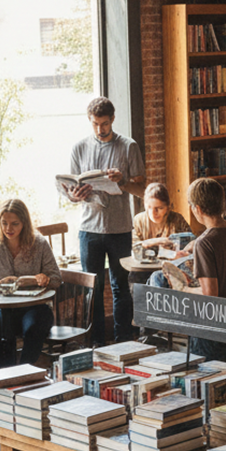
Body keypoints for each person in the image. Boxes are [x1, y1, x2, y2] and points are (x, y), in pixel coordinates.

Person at [66, 96, 146, 345]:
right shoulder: (79, 147)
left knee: (121, 286)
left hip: (120, 227)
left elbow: (142, 191)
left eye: (104, 124)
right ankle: (97, 342)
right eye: (95, 124)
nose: (100, 129)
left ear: (112, 119)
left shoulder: (128, 146)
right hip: (89, 228)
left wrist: (122, 181)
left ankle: (124, 340)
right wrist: (74, 195)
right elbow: (70, 192)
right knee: (94, 288)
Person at [0, 198, 61, 368]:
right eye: (4, 223)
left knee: (33, 331)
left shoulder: (40, 244)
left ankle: (24, 373)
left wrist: (45, 279)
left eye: (15, 223)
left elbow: (56, 279)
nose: (8, 229)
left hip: (34, 306)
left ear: (24, 223)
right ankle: (5, 376)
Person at [182, 176, 226, 364]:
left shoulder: (204, 243)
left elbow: (210, 295)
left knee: (206, 381)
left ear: (197, 208)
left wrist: (184, 289)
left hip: (215, 325)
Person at [133, 183, 190, 250]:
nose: (153, 213)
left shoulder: (177, 219)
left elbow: (190, 242)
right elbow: (135, 247)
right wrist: (158, 241)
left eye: (160, 208)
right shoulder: (138, 221)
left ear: (168, 207)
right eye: (149, 208)